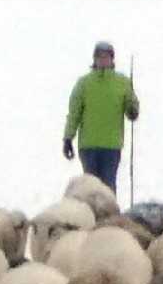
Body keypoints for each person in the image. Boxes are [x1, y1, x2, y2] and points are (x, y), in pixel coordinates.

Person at [60, 41, 140, 189]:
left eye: (106, 57)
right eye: (99, 57)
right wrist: (68, 138)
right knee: (90, 188)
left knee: (108, 187)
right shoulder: (84, 83)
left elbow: (131, 109)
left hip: (111, 145)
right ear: (94, 59)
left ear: (112, 59)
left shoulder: (122, 83)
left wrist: (133, 110)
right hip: (88, 146)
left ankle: (109, 205)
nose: (103, 60)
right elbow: (74, 113)